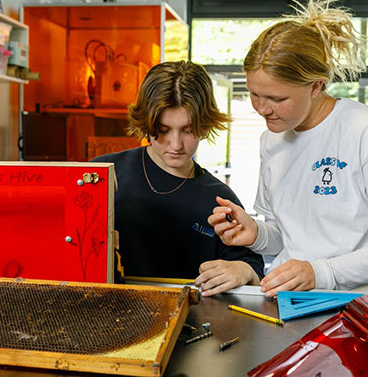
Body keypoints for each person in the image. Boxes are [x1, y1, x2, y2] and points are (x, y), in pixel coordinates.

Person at [208, 0, 368, 297]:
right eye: (254, 94)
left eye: (277, 98)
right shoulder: (272, 138)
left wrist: (323, 272)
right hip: (290, 300)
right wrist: (256, 233)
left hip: (362, 306)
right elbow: (286, 238)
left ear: (316, 86)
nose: (262, 108)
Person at [92, 60, 264, 296]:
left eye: (187, 130)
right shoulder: (100, 175)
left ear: (204, 125)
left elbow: (253, 269)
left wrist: (242, 270)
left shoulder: (219, 199)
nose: (176, 145)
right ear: (146, 123)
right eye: (162, 130)